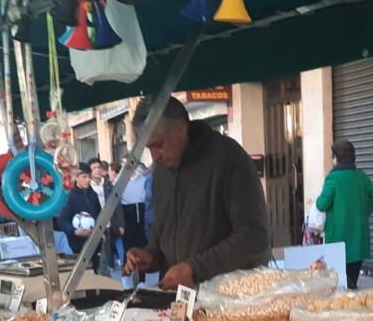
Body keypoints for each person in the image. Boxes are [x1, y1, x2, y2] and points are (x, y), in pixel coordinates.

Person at [123, 96, 271, 289]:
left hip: (227, 297)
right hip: (178, 299)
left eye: (158, 145)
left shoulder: (229, 158)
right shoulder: (160, 173)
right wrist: (150, 256)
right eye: (148, 148)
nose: (154, 156)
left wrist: (195, 268)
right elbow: (161, 235)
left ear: (180, 128)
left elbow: (255, 236)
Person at [315, 140, 373, 289]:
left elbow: (321, 204)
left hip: (337, 241)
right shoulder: (362, 177)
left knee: (338, 286)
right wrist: (364, 210)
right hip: (358, 240)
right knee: (352, 282)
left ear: (335, 158)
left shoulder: (333, 178)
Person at [55, 167, 102, 257]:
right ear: (76, 178)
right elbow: (62, 221)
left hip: (94, 243)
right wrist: (75, 231)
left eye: (89, 176)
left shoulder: (93, 195)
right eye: (84, 177)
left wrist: (102, 233)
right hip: (76, 246)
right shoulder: (69, 196)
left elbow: (100, 215)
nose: (88, 180)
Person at [120, 160, 149, 252]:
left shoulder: (143, 179)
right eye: (124, 164)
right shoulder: (119, 182)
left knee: (144, 246)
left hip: (142, 216)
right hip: (127, 218)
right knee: (129, 247)